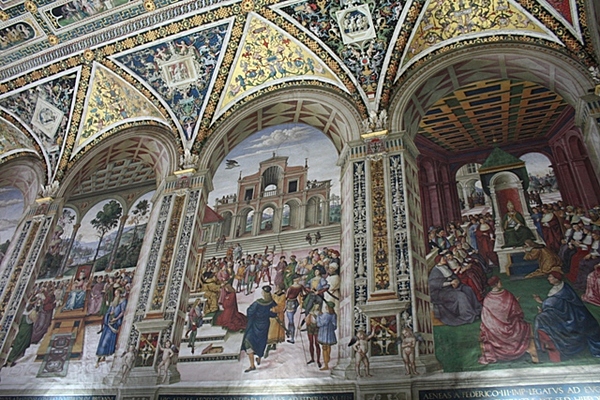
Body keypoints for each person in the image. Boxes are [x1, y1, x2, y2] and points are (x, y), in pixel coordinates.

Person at [533, 271, 600, 362]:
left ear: (556, 279)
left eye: (550, 277)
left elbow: (556, 305)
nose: (548, 279)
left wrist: (543, 306)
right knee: (542, 317)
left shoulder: (562, 291)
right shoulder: (561, 288)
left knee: (541, 318)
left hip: (570, 318)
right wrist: (543, 304)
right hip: (564, 314)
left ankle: (549, 345)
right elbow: (556, 306)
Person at [478, 276, 538, 365]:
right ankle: (528, 351)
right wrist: (515, 303)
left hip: (494, 329)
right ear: (497, 283)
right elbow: (517, 313)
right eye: (499, 281)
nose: (501, 283)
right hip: (510, 327)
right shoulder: (507, 295)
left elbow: (485, 317)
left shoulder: (487, 298)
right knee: (525, 327)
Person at [428, 255, 482, 326]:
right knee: (460, 295)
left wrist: (456, 281)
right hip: (442, 292)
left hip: (451, 287)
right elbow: (433, 284)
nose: (445, 259)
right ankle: (467, 316)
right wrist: (450, 283)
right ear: (439, 260)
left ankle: (476, 309)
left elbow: (453, 276)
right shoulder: (435, 271)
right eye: (443, 258)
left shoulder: (445, 267)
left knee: (467, 289)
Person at [241, 286, 276, 372]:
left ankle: (252, 365)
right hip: (265, 325)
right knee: (261, 342)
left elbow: (249, 311)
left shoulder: (258, 303)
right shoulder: (271, 302)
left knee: (248, 342)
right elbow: (273, 313)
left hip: (255, 325)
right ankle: (259, 359)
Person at [96, 288, 127, 367]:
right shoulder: (113, 302)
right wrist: (109, 314)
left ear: (120, 294)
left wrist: (115, 319)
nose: (116, 295)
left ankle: (102, 357)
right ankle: (99, 358)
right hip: (108, 324)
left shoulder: (123, 301)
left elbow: (122, 312)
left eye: (117, 294)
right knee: (103, 341)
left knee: (106, 341)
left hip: (114, 324)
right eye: (115, 294)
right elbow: (108, 312)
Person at [317, 301, 337, 371]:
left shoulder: (326, 315)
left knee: (324, 348)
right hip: (330, 334)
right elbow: (335, 326)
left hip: (324, 334)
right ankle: (327, 360)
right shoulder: (334, 315)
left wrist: (318, 316)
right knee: (328, 347)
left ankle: (326, 364)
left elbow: (319, 324)